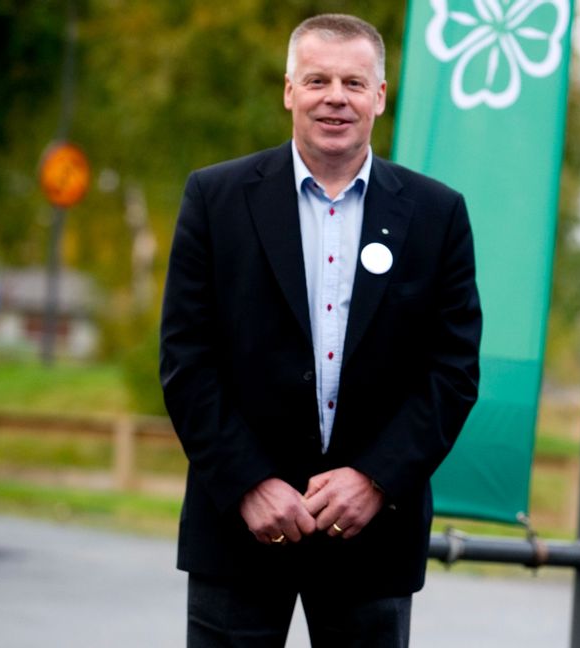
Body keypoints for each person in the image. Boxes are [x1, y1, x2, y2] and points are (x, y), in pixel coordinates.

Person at [160, 13, 481, 648]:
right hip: (238, 530)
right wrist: (248, 481)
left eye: (354, 83)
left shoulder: (437, 214)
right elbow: (185, 359)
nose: (335, 96)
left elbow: (453, 370)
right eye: (318, 80)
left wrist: (378, 478)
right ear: (289, 90)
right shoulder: (215, 198)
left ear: (380, 97)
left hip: (372, 536)